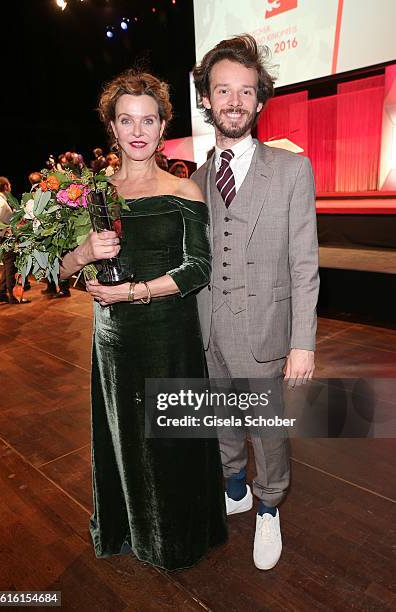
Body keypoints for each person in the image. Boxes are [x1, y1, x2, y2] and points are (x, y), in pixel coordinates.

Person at [59, 69, 227, 570]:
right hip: (113, 343)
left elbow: (198, 268)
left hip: (170, 334)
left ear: (162, 126)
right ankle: (130, 527)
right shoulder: (91, 196)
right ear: (112, 126)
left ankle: (175, 536)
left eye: (148, 120)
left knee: (171, 441)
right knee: (126, 436)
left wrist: (131, 292)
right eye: (126, 120)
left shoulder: (185, 191)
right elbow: (60, 271)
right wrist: (82, 252)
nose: (137, 130)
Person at [192, 35, 319, 570]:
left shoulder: (291, 170)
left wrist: (303, 343)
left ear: (260, 101)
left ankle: (269, 506)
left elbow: (304, 263)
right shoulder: (194, 183)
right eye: (224, 90)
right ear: (207, 99)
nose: (235, 101)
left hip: (266, 330)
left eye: (246, 91)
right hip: (207, 330)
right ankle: (236, 486)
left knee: (266, 431)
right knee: (222, 417)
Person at [0, 176, 30, 304]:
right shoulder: (1, 202)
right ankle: (13, 297)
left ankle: (2, 294)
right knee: (11, 267)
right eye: (9, 185)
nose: (11, 187)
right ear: (6, 186)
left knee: (7, 267)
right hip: (5, 239)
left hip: (3, 238)